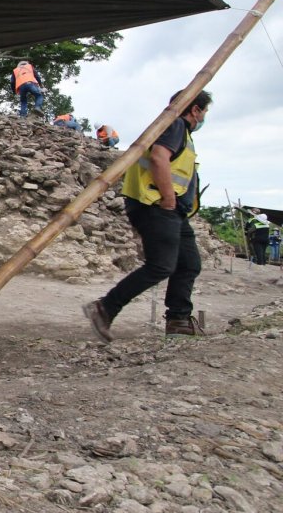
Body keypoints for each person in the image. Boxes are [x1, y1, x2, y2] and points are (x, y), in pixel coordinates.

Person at [83, 90, 211, 341]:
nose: (204, 117)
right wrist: (168, 198)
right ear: (195, 109)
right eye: (205, 111)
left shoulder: (180, 132)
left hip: (173, 211)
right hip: (156, 204)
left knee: (189, 263)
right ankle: (105, 308)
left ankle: (179, 320)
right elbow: (159, 158)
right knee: (161, 265)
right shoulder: (174, 125)